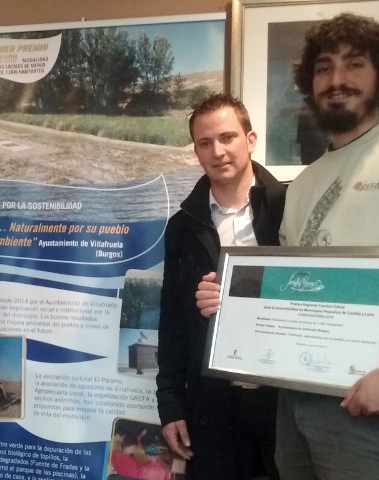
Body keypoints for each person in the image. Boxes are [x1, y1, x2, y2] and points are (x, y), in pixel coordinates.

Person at [199, 13, 379, 479]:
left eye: (354, 64)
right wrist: (227, 301)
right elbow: (291, 293)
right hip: (297, 407)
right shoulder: (305, 182)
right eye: (323, 67)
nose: (336, 79)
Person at [156, 93, 284, 480]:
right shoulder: (182, 226)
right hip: (212, 404)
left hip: (284, 402)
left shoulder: (290, 207)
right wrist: (171, 404)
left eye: (228, 137)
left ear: (250, 139)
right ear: (195, 151)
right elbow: (172, 320)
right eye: (205, 142)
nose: (218, 151)